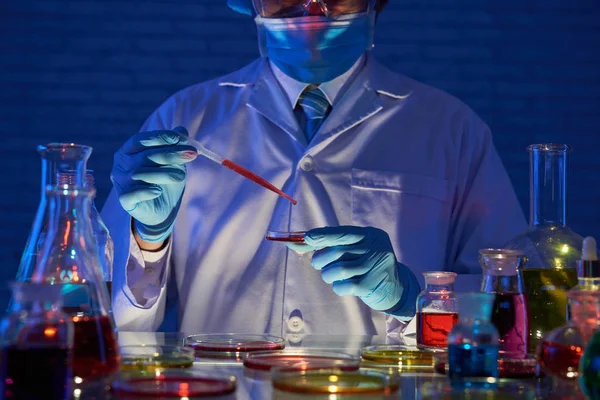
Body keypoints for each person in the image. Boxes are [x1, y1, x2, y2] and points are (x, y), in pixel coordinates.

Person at [101, 0, 526, 334]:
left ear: (378, 3)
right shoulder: (187, 117)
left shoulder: (450, 128)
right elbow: (115, 323)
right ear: (251, 4)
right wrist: (149, 239)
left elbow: (506, 302)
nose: (312, 8)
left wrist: (410, 298)